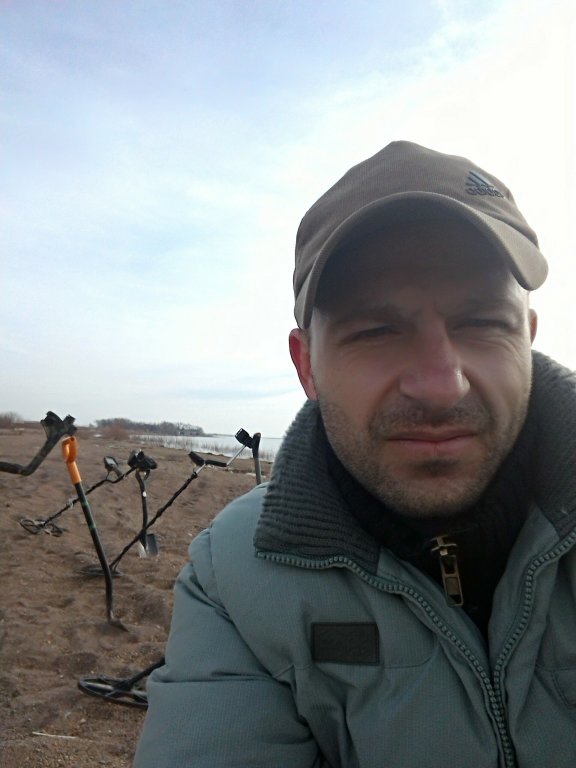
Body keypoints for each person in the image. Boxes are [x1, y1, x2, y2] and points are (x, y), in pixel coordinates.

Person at [133, 141, 576, 768]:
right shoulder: (234, 571)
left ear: (525, 338)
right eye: (376, 331)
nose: (441, 384)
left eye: (483, 323)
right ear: (307, 366)